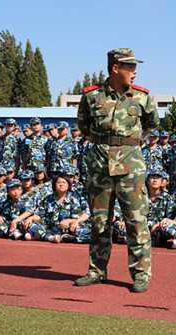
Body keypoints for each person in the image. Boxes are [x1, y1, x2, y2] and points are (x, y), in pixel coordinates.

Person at [75, 48, 159, 293]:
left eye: (134, 67)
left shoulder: (142, 97)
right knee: (100, 222)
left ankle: (141, 274)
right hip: (100, 166)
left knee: (136, 222)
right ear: (115, 68)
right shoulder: (92, 96)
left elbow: (153, 124)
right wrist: (105, 145)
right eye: (130, 67)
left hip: (131, 169)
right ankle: (97, 271)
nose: (135, 72)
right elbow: (84, 126)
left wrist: (130, 144)